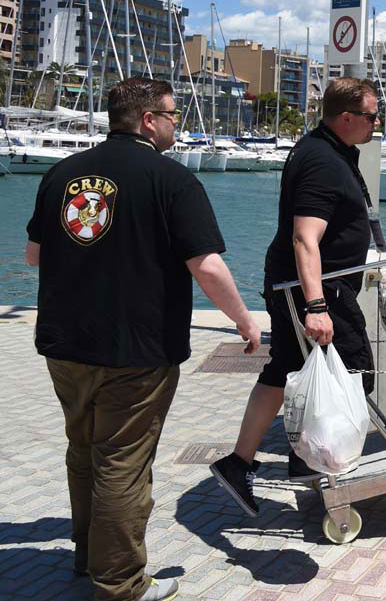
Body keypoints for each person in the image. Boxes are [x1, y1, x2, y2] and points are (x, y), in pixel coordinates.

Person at [25, 78, 260, 601]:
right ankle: (121, 584)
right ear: (149, 120)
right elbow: (206, 265)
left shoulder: (61, 174)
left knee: (83, 450)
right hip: (136, 349)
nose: (178, 125)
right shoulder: (171, 179)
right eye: (173, 116)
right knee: (122, 463)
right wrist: (245, 321)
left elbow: (34, 256)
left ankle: (89, 556)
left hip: (65, 343)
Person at [211, 77, 381, 516]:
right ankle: (309, 458)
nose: (377, 124)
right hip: (314, 291)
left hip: (306, 286)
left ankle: (250, 463)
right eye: (371, 116)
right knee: (355, 370)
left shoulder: (329, 150)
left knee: (286, 367)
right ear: (346, 118)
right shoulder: (322, 160)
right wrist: (316, 307)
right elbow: (305, 237)